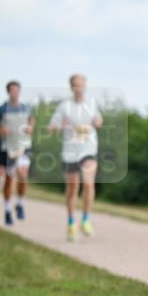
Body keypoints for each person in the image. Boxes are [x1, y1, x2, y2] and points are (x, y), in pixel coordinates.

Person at [48, 74, 103, 241]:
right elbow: (51, 128)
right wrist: (59, 125)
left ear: (85, 86)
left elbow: (99, 121)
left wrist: (98, 121)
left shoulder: (91, 103)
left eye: (81, 85)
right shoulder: (64, 106)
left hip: (88, 148)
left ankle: (85, 219)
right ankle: (71, 223)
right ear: (71, 87)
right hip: (70, 151)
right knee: (73, 188)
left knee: (88, 183)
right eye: (75, 85)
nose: (79, 88)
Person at [0, 81, 35, 225]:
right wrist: (1, 130)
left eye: (17, 90)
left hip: (23, 146)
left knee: (22, 175)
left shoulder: (26, 107)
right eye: (12, 90)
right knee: (8, 181)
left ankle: (19, 203)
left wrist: (30, 128)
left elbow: (32, 119)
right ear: (8, 92)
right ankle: (7, 210)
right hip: (7, 148)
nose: (15, 93)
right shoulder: (1, 109)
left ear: (19, 91)